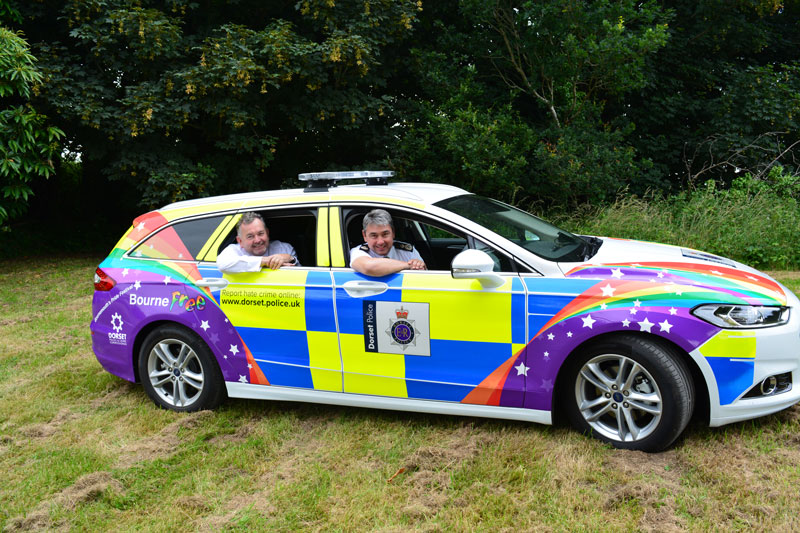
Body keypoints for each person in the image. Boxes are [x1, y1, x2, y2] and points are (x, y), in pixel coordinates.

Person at [350, 209, 426, 276]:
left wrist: (419, 266)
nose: (380, 242)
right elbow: (369, 267)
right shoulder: (358, 252)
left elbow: (424, 278)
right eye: (374, 235)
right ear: (365, 236)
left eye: (385, 234)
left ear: (393, 233)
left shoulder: (408, 251)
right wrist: (408, 265)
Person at [217, 212, 299, 273]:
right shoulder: (233, 250)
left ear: (267, 233)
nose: (257, 240)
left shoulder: (283, 248)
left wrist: (291, 258)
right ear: (240, 241)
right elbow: (223, 264)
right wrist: (265, 261)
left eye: (260, 233)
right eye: (250, 236)